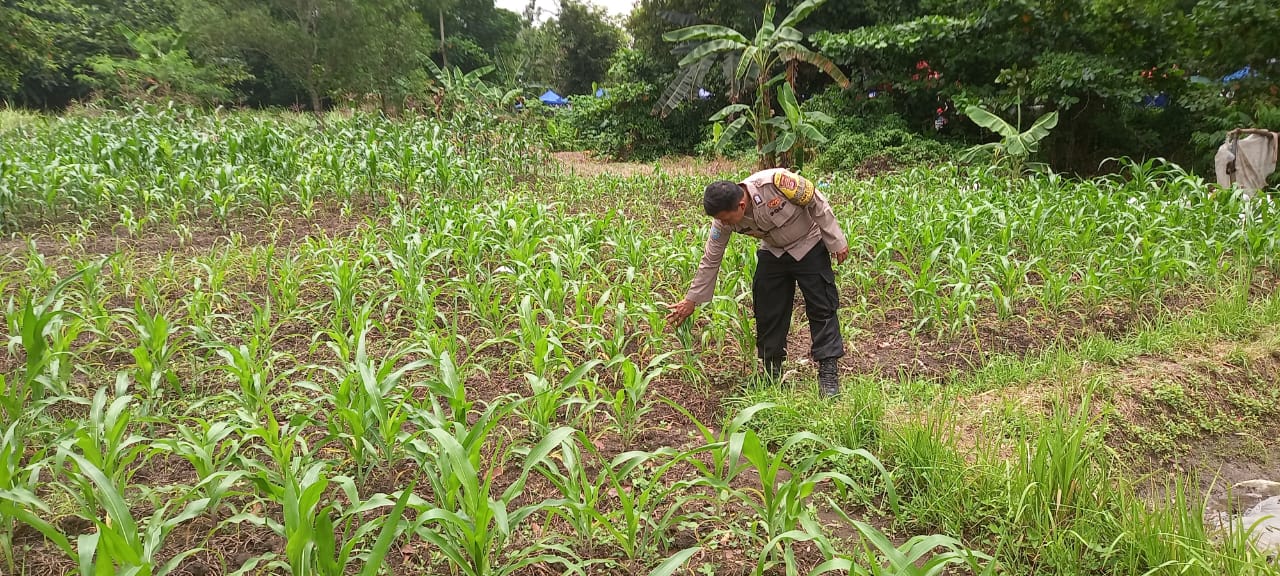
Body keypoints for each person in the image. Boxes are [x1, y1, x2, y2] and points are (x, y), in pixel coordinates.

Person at [664, 168, 850, 397]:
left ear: (741, 206)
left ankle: (828, 373)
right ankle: (771, 372)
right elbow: (711, 258)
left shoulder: (777, 183)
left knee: (822, 306)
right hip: (774, 250)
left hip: (808, 242)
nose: (722, 223)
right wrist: (691, 300)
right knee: (767, 309)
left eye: (725, 218)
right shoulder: (723, 220)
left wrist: (836, 241)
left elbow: (816, 201)